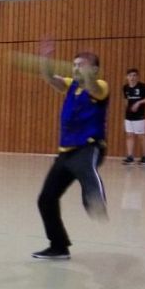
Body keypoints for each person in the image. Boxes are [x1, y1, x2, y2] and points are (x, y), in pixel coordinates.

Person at [33, 40, 109, 260]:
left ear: (94, 70)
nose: (76, 68)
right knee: (46, 199)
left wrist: (87, 75)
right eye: (74, 65)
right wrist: (46, 59)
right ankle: (58, 246)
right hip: (65, 152)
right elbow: (50, 78)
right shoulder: (71, 85)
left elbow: (94, 87)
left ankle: (95, 199)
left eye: (81, 65)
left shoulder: (101, 87)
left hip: (89, 146)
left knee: (86, 170)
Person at [121, 68, 145, 165]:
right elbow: (126, 99)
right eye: (130, 75)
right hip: (129, 115)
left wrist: (139, 103)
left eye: (134, 75)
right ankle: (130, 156)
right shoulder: (125, 87)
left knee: (141, 136)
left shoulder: (142, 86)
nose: (132, 77)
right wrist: (127, 108)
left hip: (139, 116)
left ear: (137, 77)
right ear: (127, 77)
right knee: (129, 135)